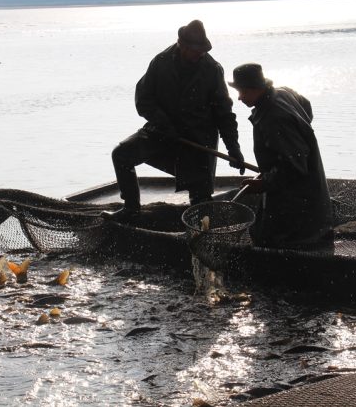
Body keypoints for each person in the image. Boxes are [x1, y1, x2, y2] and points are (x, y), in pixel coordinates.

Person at [103, 20, 245, 221]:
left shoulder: (212, 69)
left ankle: (200, 232)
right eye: (195, 50)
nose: (199, 54)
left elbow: (224, 114)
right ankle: (131, 209)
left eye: (202, 50)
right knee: (121, 154)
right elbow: (143, 100)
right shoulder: (160, 62)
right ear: (181, 45)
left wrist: (233, 148)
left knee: (201, 201)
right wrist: (163, 123)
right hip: (161, 133)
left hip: (197, 142)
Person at [228, 63, 333, 249]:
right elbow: (306, 106)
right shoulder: (284, 92)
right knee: (260, 229)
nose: (240, 97)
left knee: (268, 239)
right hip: (302, 189)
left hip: (299, 201)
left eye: (242, 91)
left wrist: (264, 183)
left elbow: (294, 167)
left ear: (255, 89)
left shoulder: (274, 117)